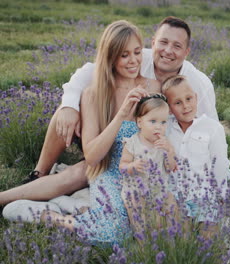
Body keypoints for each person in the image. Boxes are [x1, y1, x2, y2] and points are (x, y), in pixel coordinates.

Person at [0, 16, 216, 206]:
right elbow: (86, 75)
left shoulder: (193, 84)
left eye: (177, 46)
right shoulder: (103, 87)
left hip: (135, 158)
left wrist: (218, 170)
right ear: (154, 43)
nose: (168, 51)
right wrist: (69, 105)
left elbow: (208, 131)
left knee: (77, 174)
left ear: (187, 52)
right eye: (164, 42)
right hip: (103, 149)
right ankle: (37, 175)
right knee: (65, 120)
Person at [41, 20, 159, 245]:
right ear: (110, 57)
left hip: (144, 172)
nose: (134, 61)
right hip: (109, 173)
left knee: (158, 226)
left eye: (137, 52)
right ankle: (56, 218)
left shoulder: (152, 87)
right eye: (124, 55)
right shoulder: (93, 94)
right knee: (113, 235)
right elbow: (93, 157)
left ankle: (80, 206)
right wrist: (121, 115)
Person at [161, 75, 230, 239]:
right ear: (169, 108)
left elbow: (219, 164)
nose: (185, 106)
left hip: (204, 195)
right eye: (177, 103)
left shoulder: (211, 128)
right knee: (181, 236)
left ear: (196, 98)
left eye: (189, 99)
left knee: (209, 235)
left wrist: (221, 194)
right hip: (176, 195)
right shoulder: (167, 128)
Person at [118, 94, 177, 234]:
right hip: (136, 190)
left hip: (158, 189)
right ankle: (142, 241)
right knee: (137, 210)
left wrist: (169, 151)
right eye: (153, 121)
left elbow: (170, 167)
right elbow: (122, 166)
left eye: (163, 122)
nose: (159, 127)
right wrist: (132, 166)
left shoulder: (165, 143)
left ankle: (172, 236)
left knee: (172, 203)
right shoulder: (132, 142)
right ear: (139, 122)